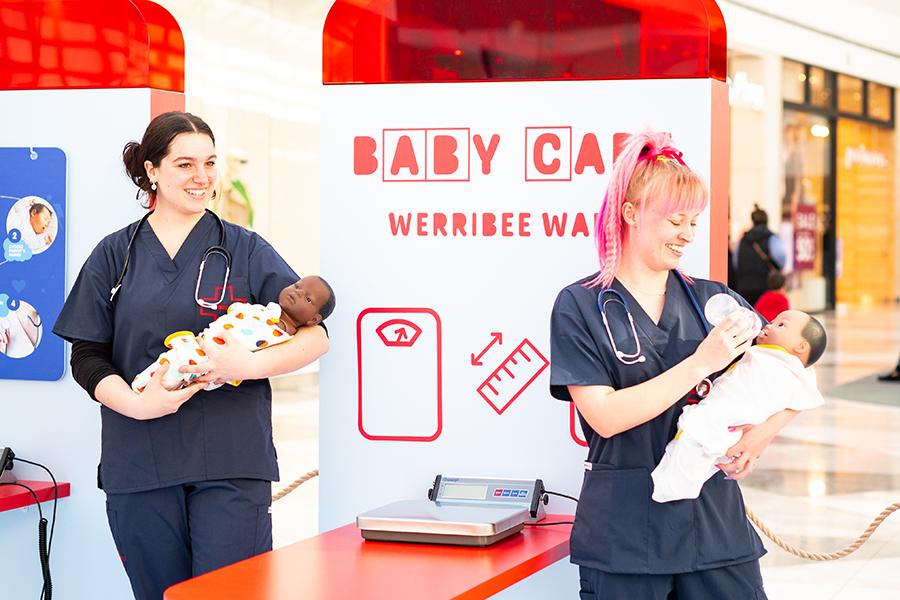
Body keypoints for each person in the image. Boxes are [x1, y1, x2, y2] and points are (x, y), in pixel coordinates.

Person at [52, 111, 329, 600]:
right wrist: (141, 404)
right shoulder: (115, 256)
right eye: (184, 164)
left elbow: (315, 336)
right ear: (152, 171)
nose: (201, 178)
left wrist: (251, 365)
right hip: (140, 462)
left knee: (229, 594)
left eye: (209, 162)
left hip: (231, 459)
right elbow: (87, 355)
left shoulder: (244, 249)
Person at [550, 130, 797, 599]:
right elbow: (605, 417)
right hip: (625, 533)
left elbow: (791, 370)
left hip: (714, 527)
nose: (688, 234)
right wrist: (702, 362)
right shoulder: (578, 306)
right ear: (629, 213)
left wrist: (762, 434)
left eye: (694, 221)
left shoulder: (715, 301)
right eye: (676, 220)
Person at [652, 309, 826, 502]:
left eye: (780, 325)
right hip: (724, 414)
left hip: (734, 419)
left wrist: (766, 430)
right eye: (773, 320)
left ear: (801, 347)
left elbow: (808, 393)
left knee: (697, 441)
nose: (768, 325)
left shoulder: (789, 368)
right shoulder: (765, 348)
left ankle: (673, 487)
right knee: (694, 448)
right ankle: (674, 484)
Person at [131, 275, 334, 393]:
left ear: (314, 320)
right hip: (199, 344)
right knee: (168, 363)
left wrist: (250, 366)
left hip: (207, 363)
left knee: (177, 373)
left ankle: (145, 390)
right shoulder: (267, 311)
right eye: (297, 286)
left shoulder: (284, 338)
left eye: (308, 299)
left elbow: (319, 340)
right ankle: (141, 391)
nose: (298, 292)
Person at [736, 204, 785, 305]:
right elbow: (781, 257)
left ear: (753, 221)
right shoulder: (771, 238)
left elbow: (736, 262)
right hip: (765, 285)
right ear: (766, 220)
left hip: (744, 287)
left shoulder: (743, 239)